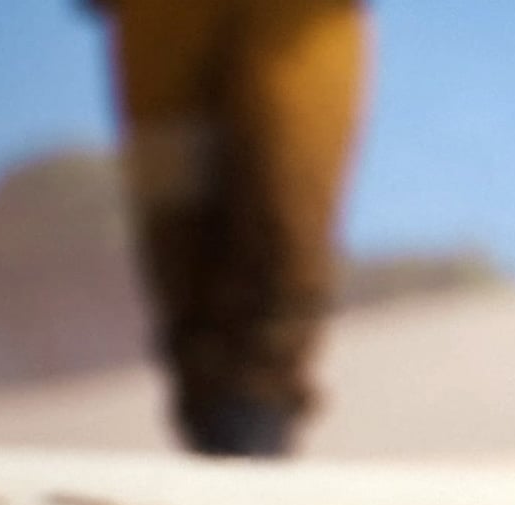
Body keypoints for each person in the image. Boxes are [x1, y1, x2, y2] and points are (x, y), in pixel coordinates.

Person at [93, 0, 369, 455]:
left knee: (287, 199)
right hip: (156, 15)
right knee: (176, 207)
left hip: (306, 16)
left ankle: (255, 413)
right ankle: (214, 415)